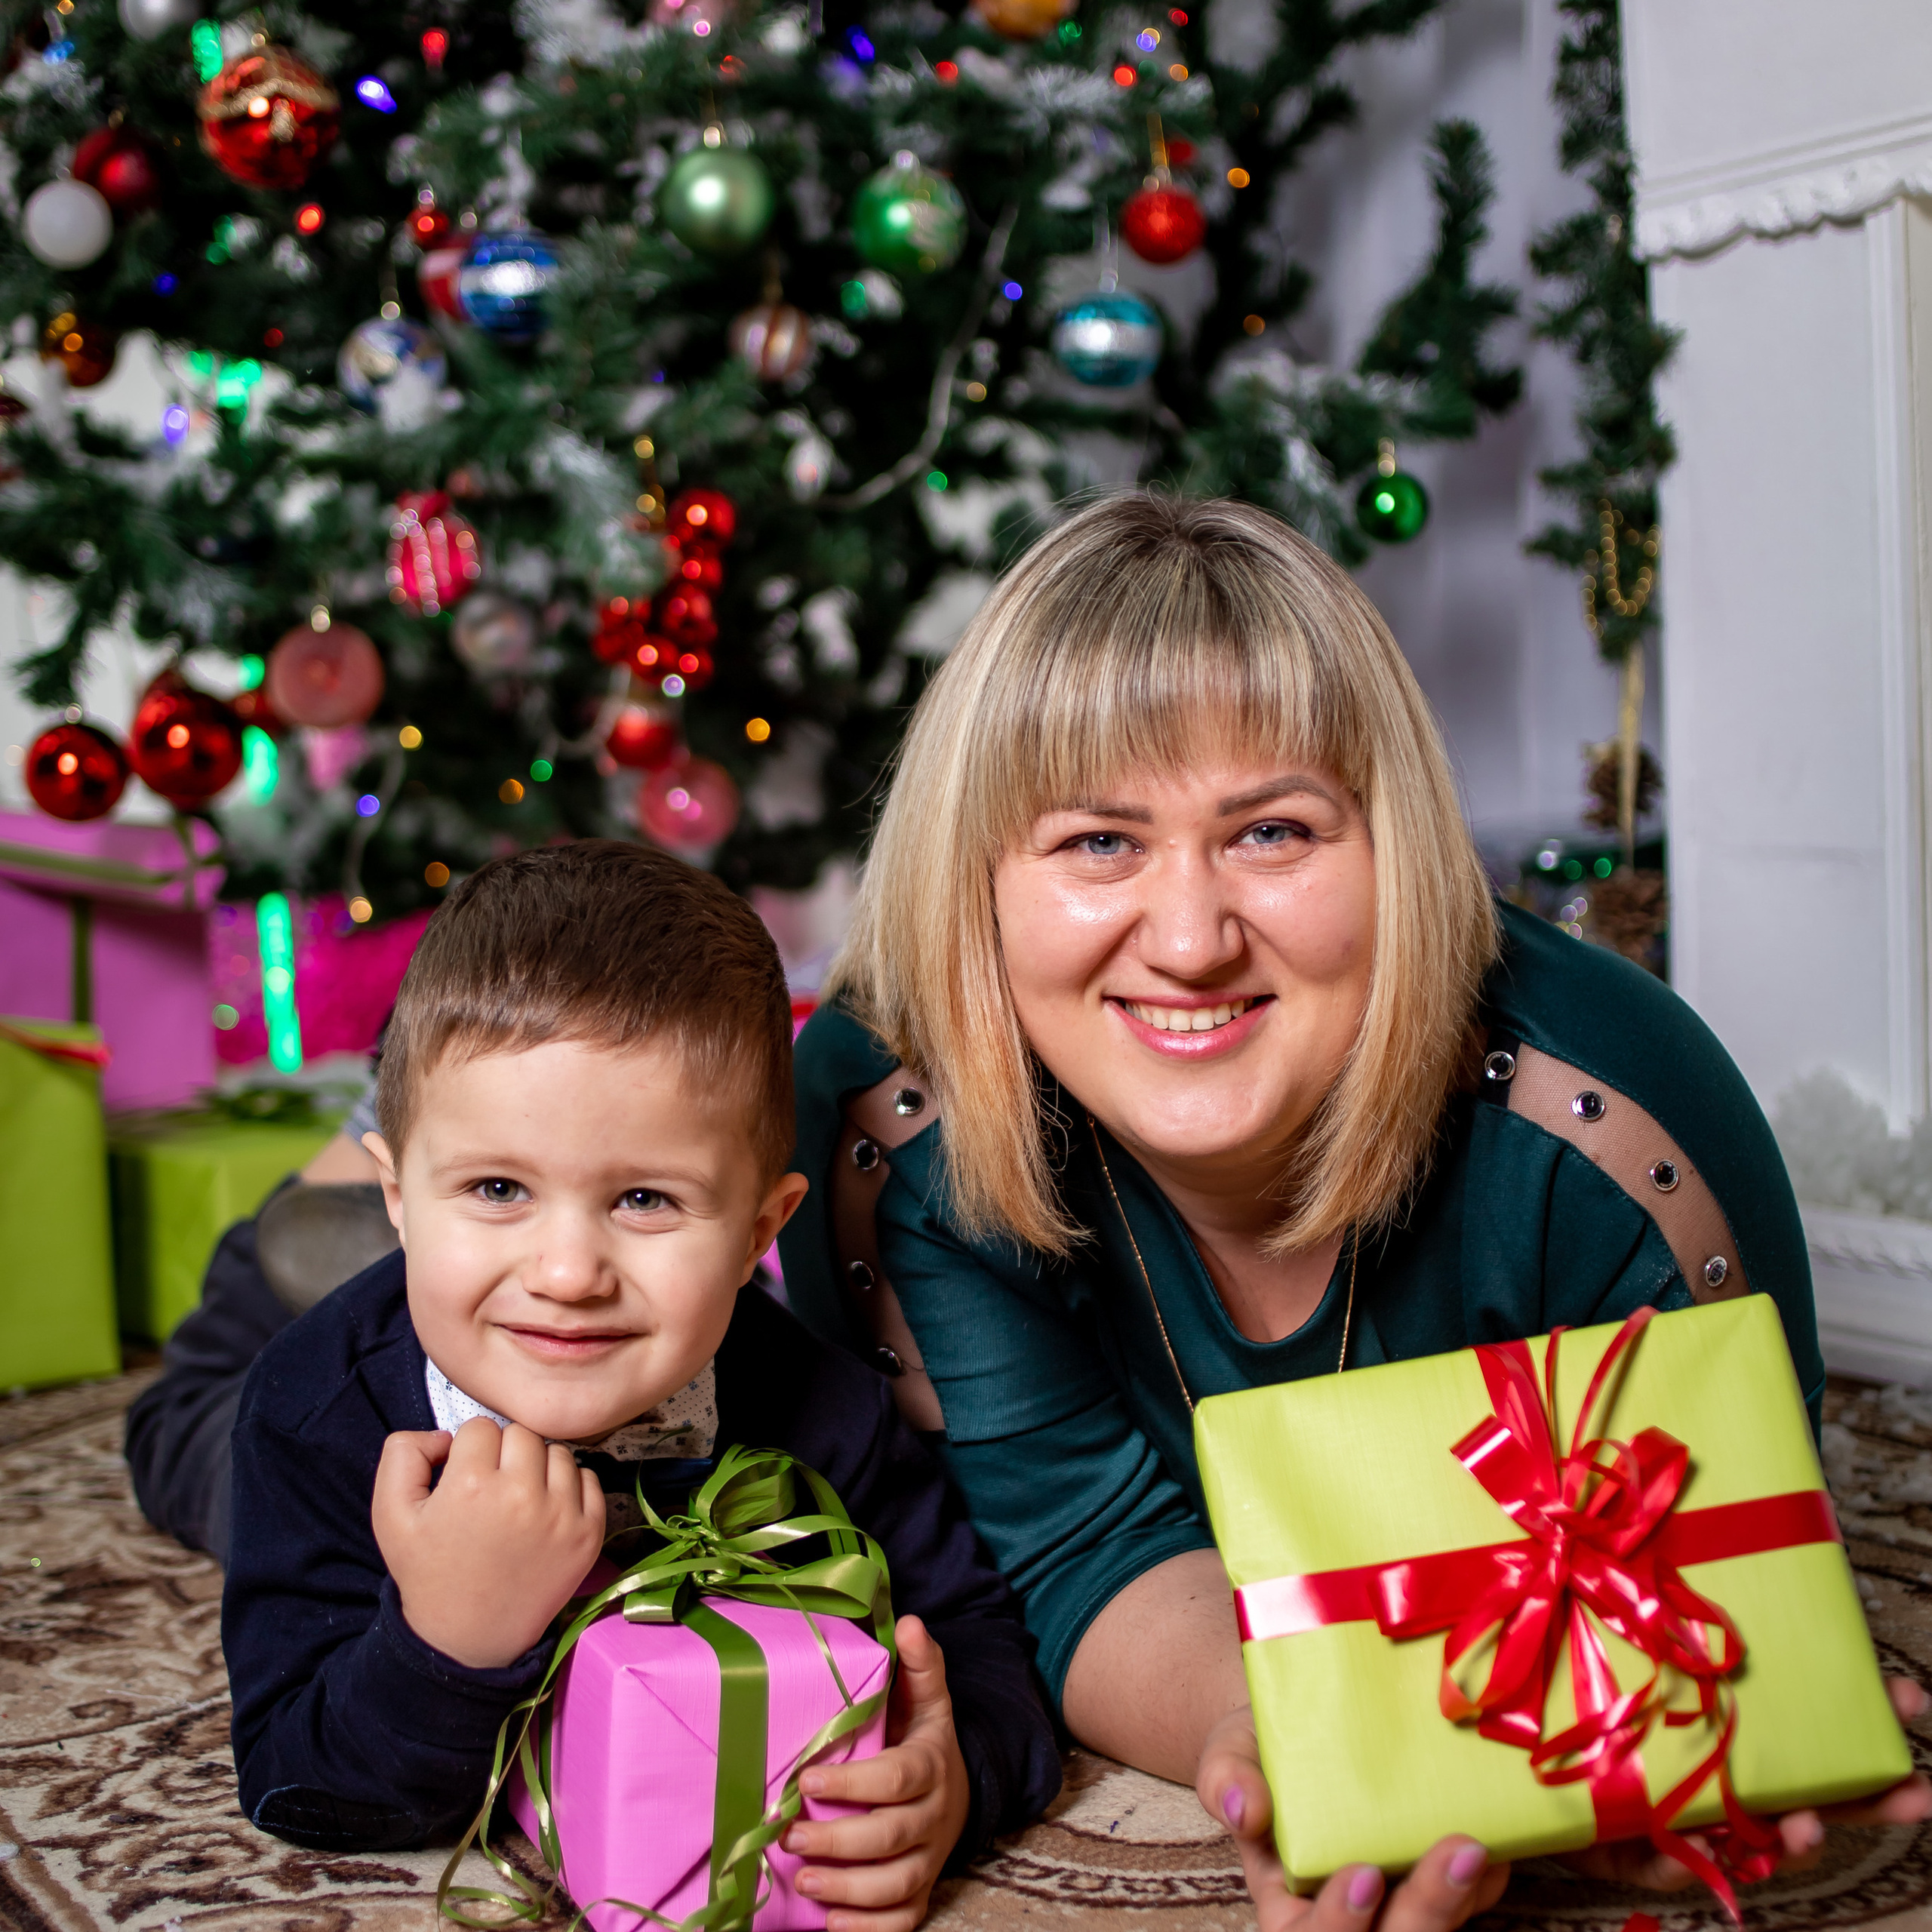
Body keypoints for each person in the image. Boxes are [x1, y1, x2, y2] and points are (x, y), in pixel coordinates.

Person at [777, 492, 1932, 1932]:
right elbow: (1068, 1545)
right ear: (978, 880)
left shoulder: (1624, 1128)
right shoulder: (891, 1122)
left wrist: (1603, 1760)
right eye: (1097, 843)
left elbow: (1706, 1579)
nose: (1190, 941)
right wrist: (1296, 1753)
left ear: (1396, 847)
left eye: (1273, 832)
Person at [220, 840, 1061, 1932]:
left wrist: (957, 1776)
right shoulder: (311, 1415)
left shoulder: (822, 1403)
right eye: (497, 1188)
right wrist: (451, 1640)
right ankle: (246, 1286)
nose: (569, 1274)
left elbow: (979, 1643)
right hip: (310, 1394)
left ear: (760, 1229)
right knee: (190, 1452)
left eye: (646, 1201)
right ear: (398, 1198)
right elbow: (295, 1785)